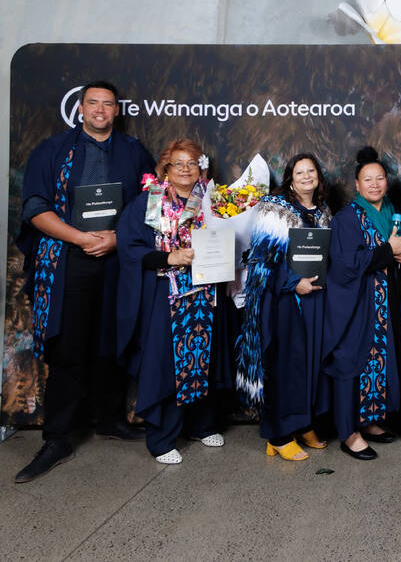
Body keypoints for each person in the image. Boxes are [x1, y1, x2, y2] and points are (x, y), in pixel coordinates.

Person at [15, 81, 154, 484]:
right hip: (68, 261)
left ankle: (110, 419)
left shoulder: (134, 152)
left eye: (107, 104)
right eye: (93, 103)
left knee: (113, 340)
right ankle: (57, 437)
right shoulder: (52, 150)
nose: (100, 110)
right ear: (80, 108)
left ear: (116, 111)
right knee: (69, 346)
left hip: (117, 259)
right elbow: (35, 207)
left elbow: (151, 206)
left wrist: (117, 238)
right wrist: (79, 238)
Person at [115, 139, 228, 464]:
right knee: (165, 364)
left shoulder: (213, 202)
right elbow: (130, 248)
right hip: (166, 294)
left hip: (206, 293)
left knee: (204, 359)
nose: (185, 170)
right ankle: (162, 439)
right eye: (178, 164)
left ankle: (201, 425)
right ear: (165, 168)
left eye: (192, 163)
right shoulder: (149, 203)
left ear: (200, 168)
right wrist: (169, 257)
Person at [237, 153, 332, 462]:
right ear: (290, 179)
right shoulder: (274, 209)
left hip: (315, 299)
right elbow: (262, 260)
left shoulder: (323, 210)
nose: (306, 176)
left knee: (307, 365)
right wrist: (293, 283)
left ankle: (301, 424)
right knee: (283, 366)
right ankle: (277, 435)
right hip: (282, 300)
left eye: (311, 171)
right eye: (299, 172)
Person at [324, 147, 401, 460]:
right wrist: (389, 251)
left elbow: (395, 251)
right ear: (357, 185)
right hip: (356, 305)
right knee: (352, 362)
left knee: (379, 361)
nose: (375, 184)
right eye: (368, 179)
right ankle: (349, 433)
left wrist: (400, 254)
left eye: (380, 178)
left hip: (384, 305)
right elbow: (346, 264)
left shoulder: (392, 213)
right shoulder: (347, 218)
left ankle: (369, 420)